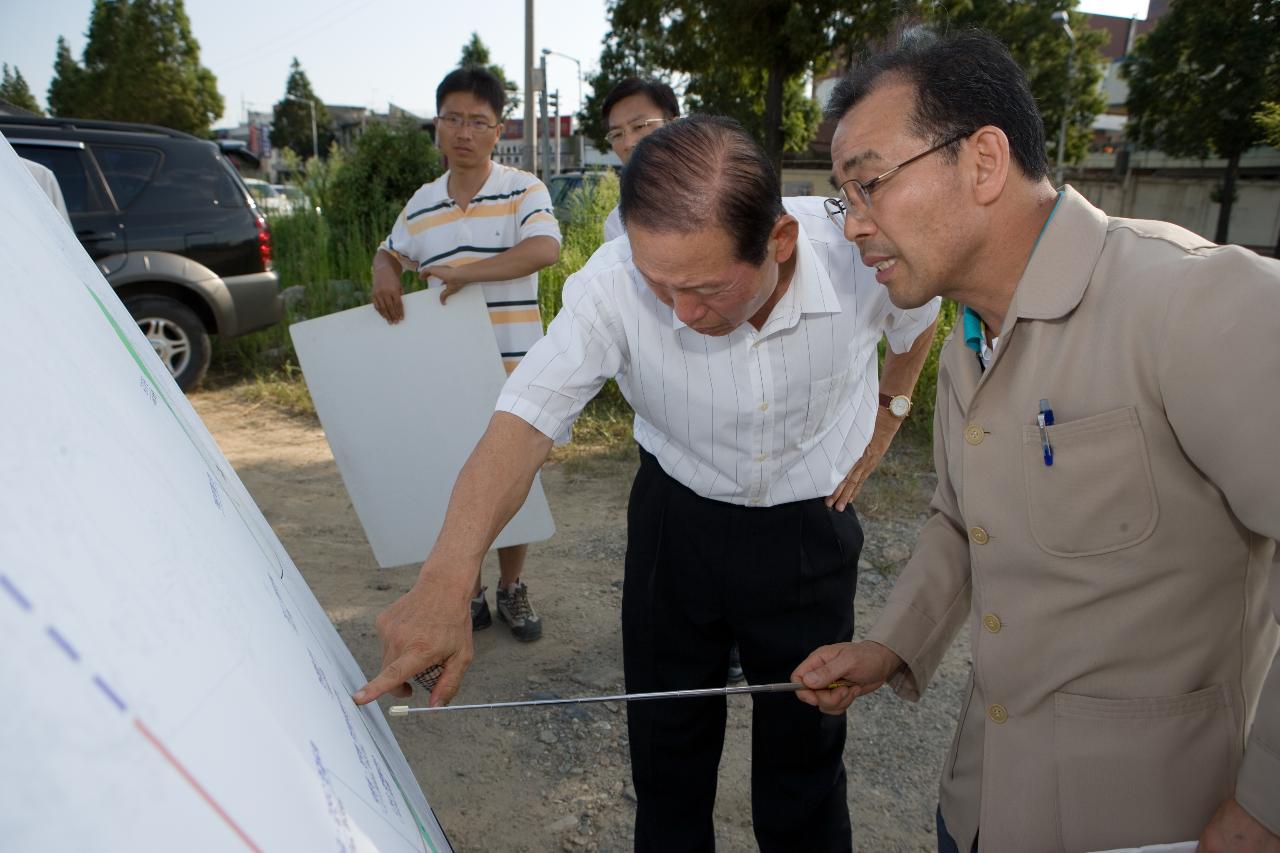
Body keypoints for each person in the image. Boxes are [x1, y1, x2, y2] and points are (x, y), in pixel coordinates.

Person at [355, 115, 940, 851]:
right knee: (668, 753)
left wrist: (890, 412)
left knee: (805, 753)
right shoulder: (613, 282)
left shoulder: (860, 253)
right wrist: (446, 577)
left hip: (809, 527)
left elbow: (918, 314)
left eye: (702, 289)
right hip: (677, 523)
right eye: (658, 286)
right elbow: (526, 419)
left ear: (778, 243)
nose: (681, 314)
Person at [791, 29, 1280, 853]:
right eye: (845, 198)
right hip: (983, 802)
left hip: (1153, 822)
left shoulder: (1193, 302)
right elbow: (958, 518)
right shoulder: (968, 341)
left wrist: (1267, 807)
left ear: (983, 161)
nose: (853, 227)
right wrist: (888, 645)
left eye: (869, 185)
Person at [370, 66, 562, 641]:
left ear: (497, 130)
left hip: (515, 367)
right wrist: (384, 272)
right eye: (453, 118)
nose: (464, 131)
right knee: (458, 481)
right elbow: (390, 251)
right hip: (447, 373)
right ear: (437, 125)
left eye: (478, 121)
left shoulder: (522, 188)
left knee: (515, 481)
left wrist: (468, 273)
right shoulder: (423, 203)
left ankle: (512, 587)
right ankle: (469, 593)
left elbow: (545, 248)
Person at [599, 77, 679, 242]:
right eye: (616, 134)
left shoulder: (723, 189)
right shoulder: (618, 224)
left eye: (639, 126)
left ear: (674, 125)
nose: (628, 143)